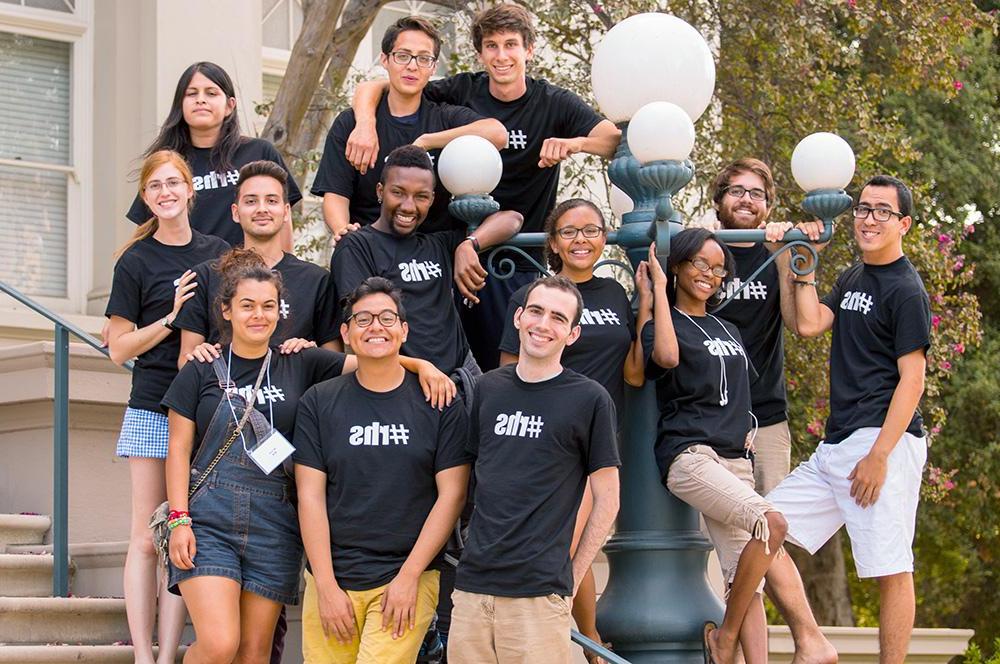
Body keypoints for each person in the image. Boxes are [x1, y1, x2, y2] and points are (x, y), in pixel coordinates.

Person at [162, 253, 453, 663]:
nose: (259, 315)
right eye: (247, 305)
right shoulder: (200, 367)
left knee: (254, 651)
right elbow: (177, 449)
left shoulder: (301, 361)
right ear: (226, 310)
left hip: (276, 520)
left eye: (268, 306)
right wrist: (179, 518)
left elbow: (374, 354)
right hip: (210, 518)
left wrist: (423, 365)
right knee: (219, 643)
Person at [348, 3, 621, 370]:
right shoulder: (464, 90)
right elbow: (379, 85)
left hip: (516, 257)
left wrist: (575, 144)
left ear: (529, 50)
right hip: (452, 254)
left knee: (507, 367)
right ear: (480, 54)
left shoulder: (552, 102)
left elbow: (611, 140)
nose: (502, 55)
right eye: (492, 46)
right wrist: (365, 123)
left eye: (511, 45)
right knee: (444, 365)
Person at [767, 175, 931, 664]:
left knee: (891, 568)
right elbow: (807, 323)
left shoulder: (906, 290)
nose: (869, 219)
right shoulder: (854, 277)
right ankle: (813, 643)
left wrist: (880, 456)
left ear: (902, 224)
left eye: (883, 211)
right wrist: (793, 259)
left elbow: (913, 380)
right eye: (863, 209)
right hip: (836, 444)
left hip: (883, 443)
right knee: (761, 528)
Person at [294, 277, 472, 664]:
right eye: (363, 319)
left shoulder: (438, 401)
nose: (376, 326)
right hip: (331, 577)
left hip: (406, 574)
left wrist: (409, 578)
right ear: (346, 333)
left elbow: (453, 494)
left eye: (388, 317)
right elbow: (309, 496)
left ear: (404, 330)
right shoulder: (318, 402)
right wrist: (325, 585)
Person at [497, 199, 647, 659]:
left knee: (580, 540)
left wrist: (645, 308)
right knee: (564, 542)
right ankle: (587, 640)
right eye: (569, 231)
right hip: (545, 441)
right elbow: (508, 370)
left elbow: (635, 375)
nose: (581, 239)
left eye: (592, 230)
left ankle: (580, 637)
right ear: (553, 241)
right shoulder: (534, 299)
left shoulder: (613, 293)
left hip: (597, 437)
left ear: (604, 237)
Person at [449, 275, 621, 664]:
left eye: (558, 318)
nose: (543, 325)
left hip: (539, 596)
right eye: (536, 312)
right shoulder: (488, 390)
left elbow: (608, 500)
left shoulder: (590, 399)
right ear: (518, 318)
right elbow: (471, 482)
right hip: (474, 589)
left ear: (572, 334)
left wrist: (572, 583)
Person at [105, 149, 229, 664]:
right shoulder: (135, 261)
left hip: (205, 412)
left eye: (172, 183)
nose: (165, 193)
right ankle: (142, 654)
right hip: (153, 406)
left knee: (184, 531)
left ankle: (171, 651)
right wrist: (172, 318)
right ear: (147, 197)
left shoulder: (218, 251)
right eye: (154, 186)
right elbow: (117, 349)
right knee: (145, 536)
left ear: (189, 189)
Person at [640, 230, 787, 664]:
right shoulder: (663, 326)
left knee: (748, 575)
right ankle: (724, 640)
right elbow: (665, 358)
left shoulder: (729, 327)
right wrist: (659, 294)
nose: (709, 274)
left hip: (736, 458)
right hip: (691, 456)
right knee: (772, 524)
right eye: (699, 264)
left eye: (718, 268)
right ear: (679, 266)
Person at [330, 145, 521, 375]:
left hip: (461, 373)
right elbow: (364, 328)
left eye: (420, 196)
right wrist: (420, 370)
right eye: (398, 192)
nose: (408, 206)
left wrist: (469, 244)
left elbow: (512, 219)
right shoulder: (357, 245)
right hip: (402, 377)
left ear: (431, 199)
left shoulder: (437, 244)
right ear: (380, 192)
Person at [312, 16, 507, 236]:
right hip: (369, 249)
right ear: (385, 60)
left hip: (433, 253)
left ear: (433, 67)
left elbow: (497, 133)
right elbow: (336, 194)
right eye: (403, 56)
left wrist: (426, 142)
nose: (412, 66)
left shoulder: (444, 118)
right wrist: (342, 230)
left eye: (424, 59)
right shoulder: (351, 124)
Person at [175, 160, 340, 363]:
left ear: (286, 211)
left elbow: (334, 362)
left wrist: (312, 354)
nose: (262, 209)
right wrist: (198, 357)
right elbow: (185, 359)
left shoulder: (316, 281)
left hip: (296, 393)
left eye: (271, 201)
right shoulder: (207, 276)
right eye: (251, 201)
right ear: (236, 212)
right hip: (224, 391)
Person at [127, 61, 301, 250]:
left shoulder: (259, 152)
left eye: (211, 93)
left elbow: (283, 221)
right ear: (180, 104)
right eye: (192, 93)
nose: (200, 100)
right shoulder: (167, 165)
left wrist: (284, 272)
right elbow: (146, 231)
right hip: (191, 276)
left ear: (229, 105)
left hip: (253, 274)